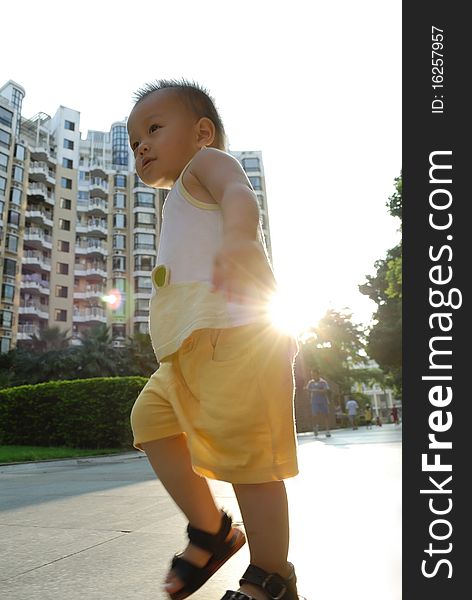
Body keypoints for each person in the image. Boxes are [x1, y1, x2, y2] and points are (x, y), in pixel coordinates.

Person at [127, 79, 303, 600]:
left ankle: (271, 576)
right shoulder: (177, 199)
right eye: (135, 141)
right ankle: (212, 529)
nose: (142, 147)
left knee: (251, 464)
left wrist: (237, 237)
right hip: (185, 353)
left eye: (154, 129)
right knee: (150, 423)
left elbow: (238, 194)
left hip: (237, 338)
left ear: (201, 132)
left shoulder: (207, 165)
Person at [305, 369, 331, 437]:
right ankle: (315, 427)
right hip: (314, 401)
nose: (313, 376)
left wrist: (316, 390)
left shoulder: (323, 382)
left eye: (314, 375)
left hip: (323, 400)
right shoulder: (310, 382)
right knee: (314, 415)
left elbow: (325, 390)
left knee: (326, 415)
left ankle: (327, 430)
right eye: (312, 375)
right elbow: (307, 389)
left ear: (318, 374)